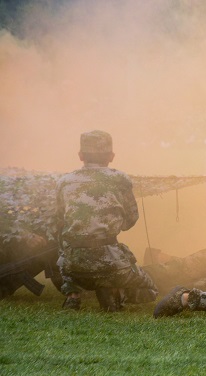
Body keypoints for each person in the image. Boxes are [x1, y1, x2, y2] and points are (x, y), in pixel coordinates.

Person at [55, 130, 157, 311]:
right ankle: (113, 291)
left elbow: (60, 219)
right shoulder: (120, 179)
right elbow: (131, 219)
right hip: (111, 263)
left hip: (73, 267)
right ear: (111, 156)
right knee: (150, 289)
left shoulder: (64, 181)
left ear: (80, 155)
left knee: (67, 248)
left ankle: (73, 295)